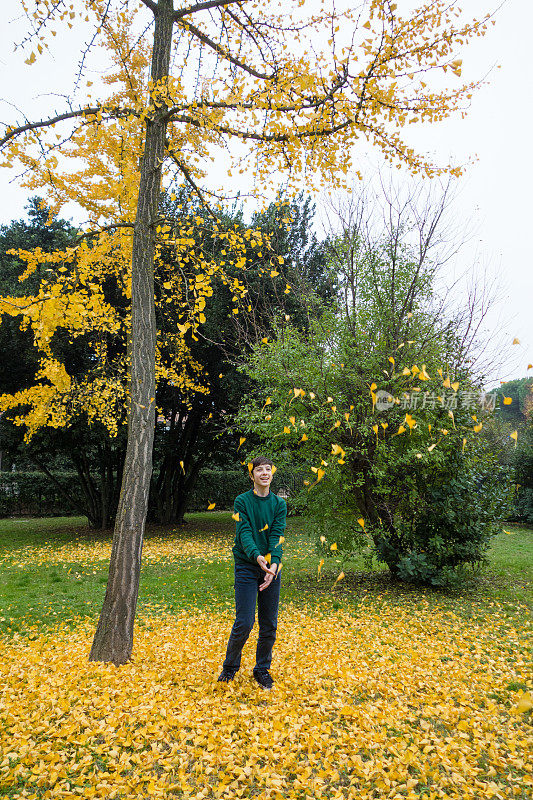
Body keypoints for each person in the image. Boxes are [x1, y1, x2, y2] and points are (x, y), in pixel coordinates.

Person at [217, 456, 287, 689]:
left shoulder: (279, 504)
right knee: (245, 621)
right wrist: (258, 557)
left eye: (268, 469)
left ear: (272, 474)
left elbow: (277, 536)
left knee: (269, 624)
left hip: (270, 568)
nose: (265, 473)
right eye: (259, 470)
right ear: (252, 475)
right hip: (247, 565)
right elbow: (244, 533)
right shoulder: (242, 501)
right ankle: (230, 667)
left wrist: (273, 565)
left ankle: (262, 669)